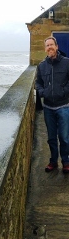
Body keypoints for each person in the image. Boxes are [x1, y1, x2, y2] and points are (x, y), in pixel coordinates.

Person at [38, 36, 69, 173]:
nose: (49, 47)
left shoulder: (67, 63)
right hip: (48, 107)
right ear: (45, 49)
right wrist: (42, 92)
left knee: (64, 137)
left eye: (51, 45)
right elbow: (38, 82)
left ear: (56, 47)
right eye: (47, 45)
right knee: (51, 138)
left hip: (64, 106)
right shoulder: (41, 66)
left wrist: (63, 91)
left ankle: (66, 161)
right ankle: (53, 161)